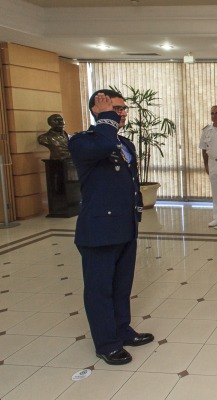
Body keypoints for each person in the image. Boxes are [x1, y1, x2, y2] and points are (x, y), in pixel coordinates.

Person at [68, 89, 153, 366]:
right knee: (99, 289)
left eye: (122, 109)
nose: (123, 113)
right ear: (97, 111)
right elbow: (103, 147)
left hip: (125, 226)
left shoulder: (124, 143)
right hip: (99, 230)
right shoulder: (84, 142)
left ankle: (122, 330)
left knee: (121, 286)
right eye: (115, 109)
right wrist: (106, 119)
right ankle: (106, 344)